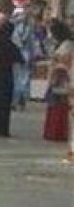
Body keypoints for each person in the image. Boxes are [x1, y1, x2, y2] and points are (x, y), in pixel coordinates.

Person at [0, 13, 24, 137]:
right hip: (7, 76)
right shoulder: (11, 46)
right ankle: (2, 128)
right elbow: (20, 59)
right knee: (4, 103)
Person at [43, 20, 73, 155]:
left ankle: (57, 131)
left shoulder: (67, 44)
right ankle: (53, 131)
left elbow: (65, 59)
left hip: (61, 76)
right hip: (58, 75)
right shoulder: (62, 43)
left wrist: (56, 59)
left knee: (58, 104)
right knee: (55, 104)